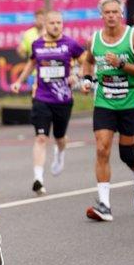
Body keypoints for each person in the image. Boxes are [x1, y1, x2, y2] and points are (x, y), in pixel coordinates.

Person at [81, 0, 134, 222]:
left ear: (121, 14)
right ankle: (105, 204)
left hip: (130, 100)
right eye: (107, 12)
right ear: (101, 16)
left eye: (115, 12)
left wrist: (121, 64)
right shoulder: (95, 39)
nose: (111, 16)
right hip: (104, 101)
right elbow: (88, 61)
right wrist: (88, 79)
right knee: (102, 148)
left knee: (127, 153)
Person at [11, 10, 84, 195]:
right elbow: (31, 64)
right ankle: (38, 178)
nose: (56, 26)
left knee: (60, 138)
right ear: (46, 24)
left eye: (59, 23)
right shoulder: (37, 44)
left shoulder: (70, 44)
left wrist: (76, 75)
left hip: (63, 99)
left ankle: (60, 154)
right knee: (41, 138)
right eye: (52, 23)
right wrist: (19, 81)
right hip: (42, 97)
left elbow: (87, 63)